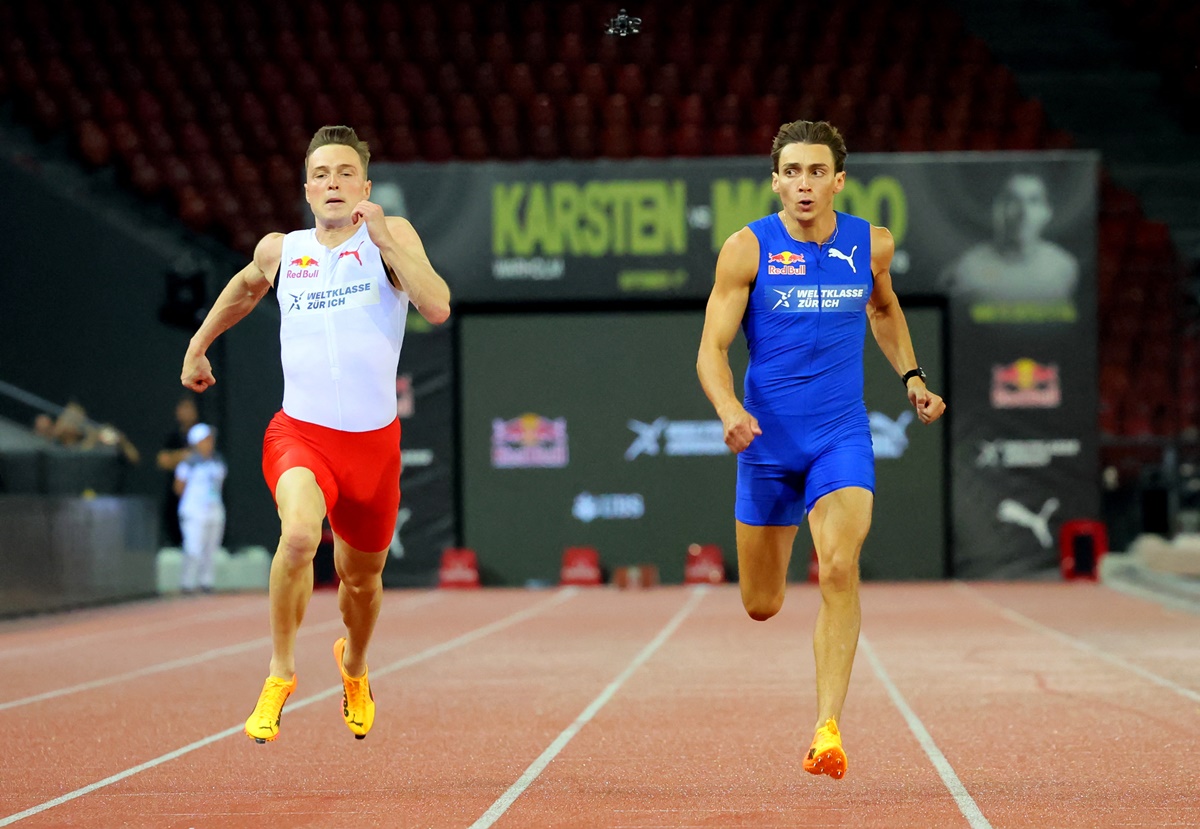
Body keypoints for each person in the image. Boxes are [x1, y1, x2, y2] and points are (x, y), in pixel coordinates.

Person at [179, 125, 451, 743]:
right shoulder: (283, 249)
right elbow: (246, 287)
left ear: (364, 186)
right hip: (300, 435)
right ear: (306, 189)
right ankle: (279, 672)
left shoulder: (390, 240)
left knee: (362, 580)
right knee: (299, 535)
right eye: (322, 174)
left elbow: (436, 307)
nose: (333, 183)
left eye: (345, 173)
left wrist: (386, 238)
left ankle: (353, 666)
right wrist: (198, 346)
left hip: (372, 449)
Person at [696, 120, 945, 780]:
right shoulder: (747, 250)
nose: (803, 184)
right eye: (792, 172)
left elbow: (884, 311)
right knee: (762, 602)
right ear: (775, 179)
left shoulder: (872, 245)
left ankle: (826, 727)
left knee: (838, 566)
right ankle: (778, 587)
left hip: (840, 435)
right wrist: (730, 410)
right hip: (767, 444)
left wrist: (913, 379)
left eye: (816, 172)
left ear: (838, 180)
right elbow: (712, 348)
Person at [940, 172, 1078, 304]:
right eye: (1012, 200)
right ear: (996, 209)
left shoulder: (1063, 267)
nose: (1023, 212)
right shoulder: (966, 271)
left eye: (1034, 201)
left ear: (1047, 212)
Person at [174, 423, 227, 594]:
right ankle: (187, 583)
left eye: (210, 439)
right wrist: (193, 503)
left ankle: (206, 582)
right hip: (194, 510)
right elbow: (179, 487)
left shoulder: (218, 461)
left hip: (214, 509)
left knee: (211, 548)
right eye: (205, 439)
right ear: (196, 442)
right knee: (193, 548)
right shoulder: (189, 463)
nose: (209, 443)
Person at [156, 395, 200, 547]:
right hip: (176, 496)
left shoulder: (202, 433)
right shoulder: (173, 436)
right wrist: (183, 456)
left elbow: (204, 457)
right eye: (183, 409)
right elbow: (163, 460)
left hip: (199, 495)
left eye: (189, 408)